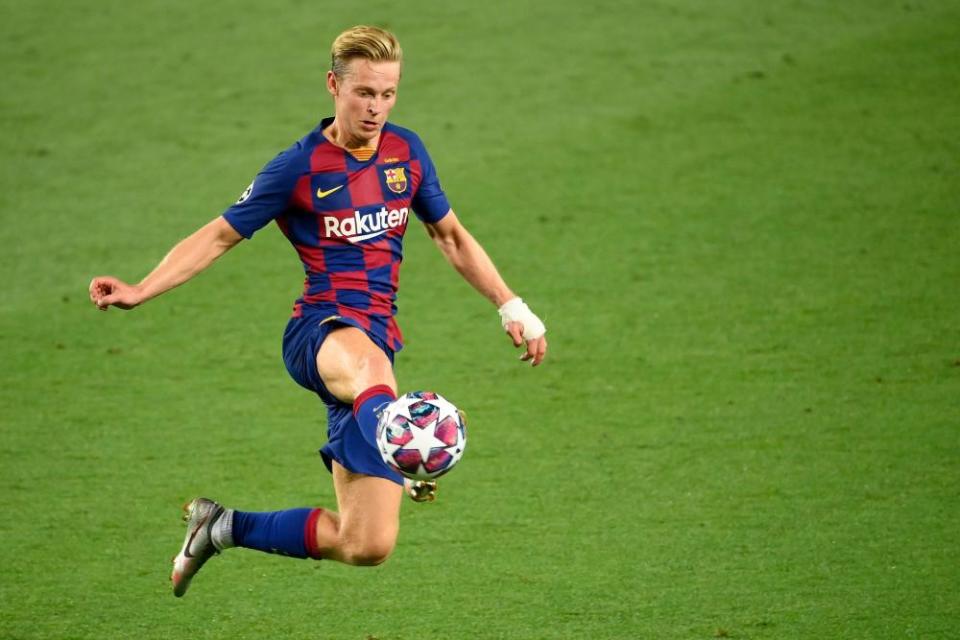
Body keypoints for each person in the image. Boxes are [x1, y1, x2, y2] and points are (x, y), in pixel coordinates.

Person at [88, 25, 547, 597]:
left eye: (387, 94)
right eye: (364, 93)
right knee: (373, 373)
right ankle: (402, 440)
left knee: (367, 544)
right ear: (334, 86)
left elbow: (450, 236)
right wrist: (140, 288)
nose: (376, 108)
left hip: (375, 350)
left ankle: (220, 527)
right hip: (320, 331)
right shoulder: (300, 167)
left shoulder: (407, 153)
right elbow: (218, 237)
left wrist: (511, 304)